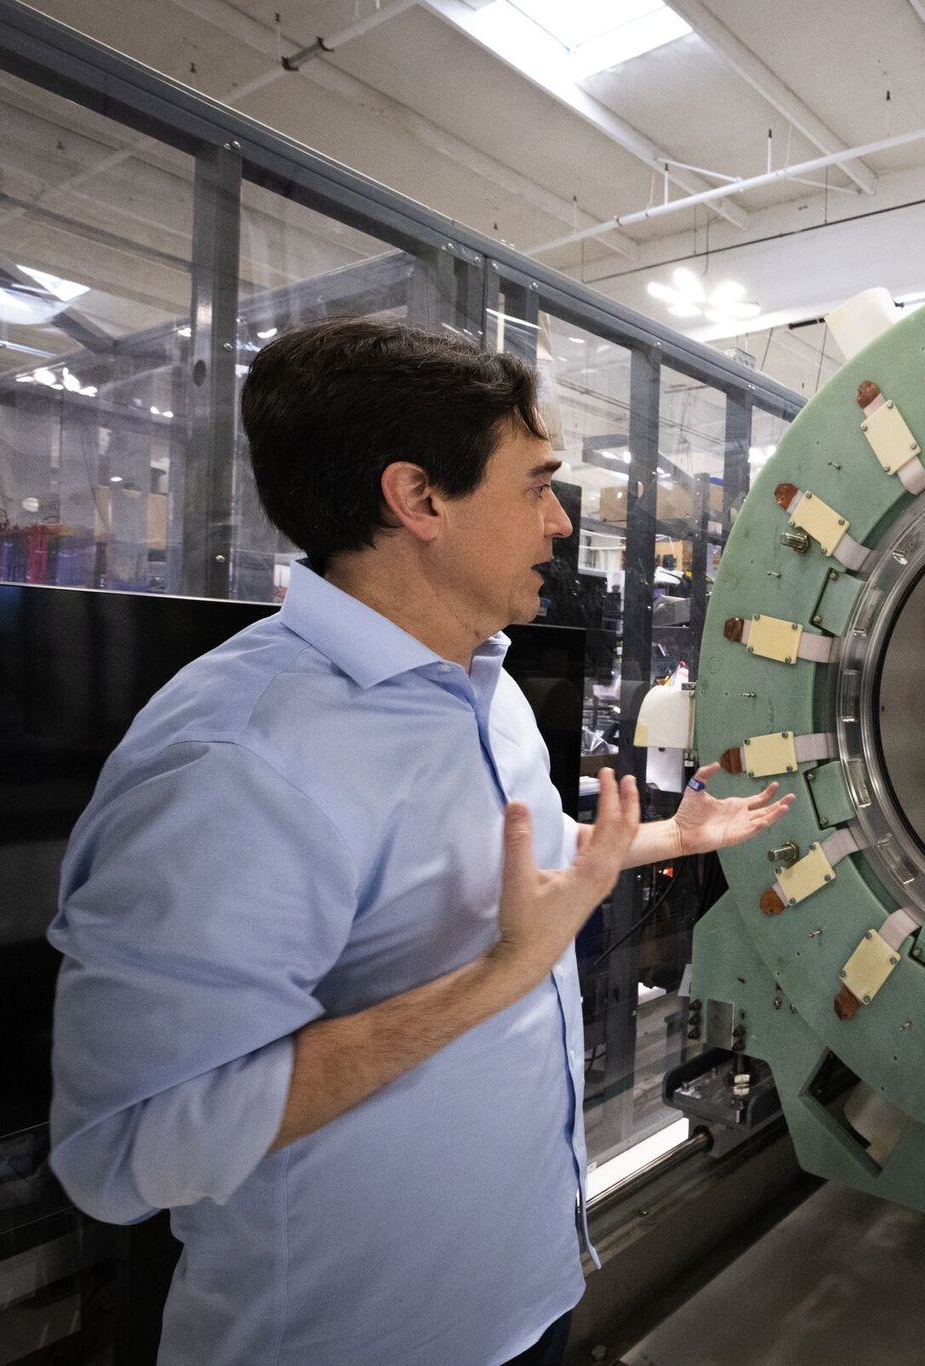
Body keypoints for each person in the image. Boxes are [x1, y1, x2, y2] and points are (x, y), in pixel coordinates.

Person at [45, 318, 792, 1365]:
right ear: (420, 498)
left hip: (521, 1293)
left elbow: (490, 879)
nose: (561, 523)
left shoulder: (480, 688)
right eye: (536, 484)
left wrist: (670, 833)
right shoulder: (237, 758)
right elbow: (125, 1149)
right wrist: (500, 975)